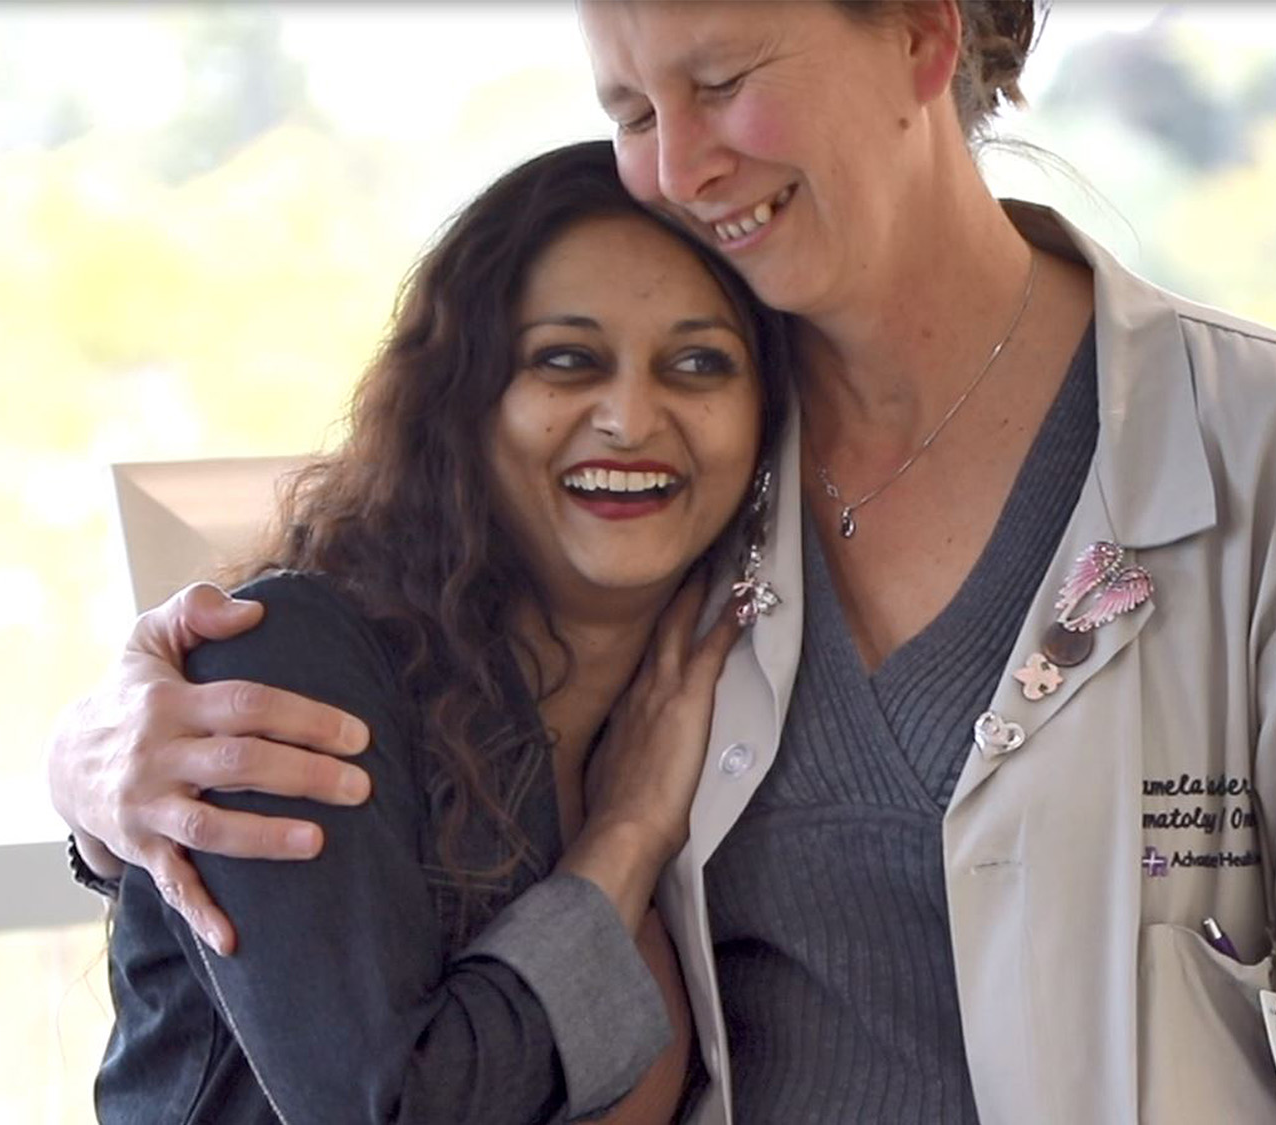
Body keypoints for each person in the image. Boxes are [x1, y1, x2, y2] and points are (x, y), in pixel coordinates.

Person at [52, 3, 1276, 1121]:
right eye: (631, 107)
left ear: (920, 34)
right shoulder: (680, 463)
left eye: (719, 82)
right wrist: (99, 773)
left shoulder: (1269, 453)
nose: (673, 165)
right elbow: (366, 584)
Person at [90, 140, 793, 1123]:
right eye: (565, 360)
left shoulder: (736, 699)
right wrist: (626, 836)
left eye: (697, 363)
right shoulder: (291, 664)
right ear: (463, 398)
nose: (631, 418)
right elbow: (389, 1109)